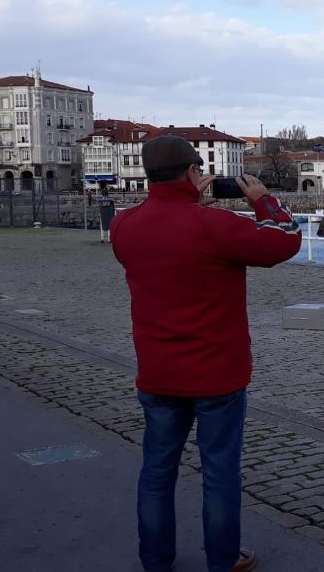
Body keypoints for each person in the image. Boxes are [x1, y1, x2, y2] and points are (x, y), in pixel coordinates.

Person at [110, 135, 302, 572]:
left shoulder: (124, 225)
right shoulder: (215, 227)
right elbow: (285, 240)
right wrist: (263, 200)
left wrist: (186, 203)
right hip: (218, 374)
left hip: (158, 373)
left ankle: (155, 561)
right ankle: (223, 560)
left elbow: (164, 240)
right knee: (219, 473)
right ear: (193, 172)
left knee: (157, 472)